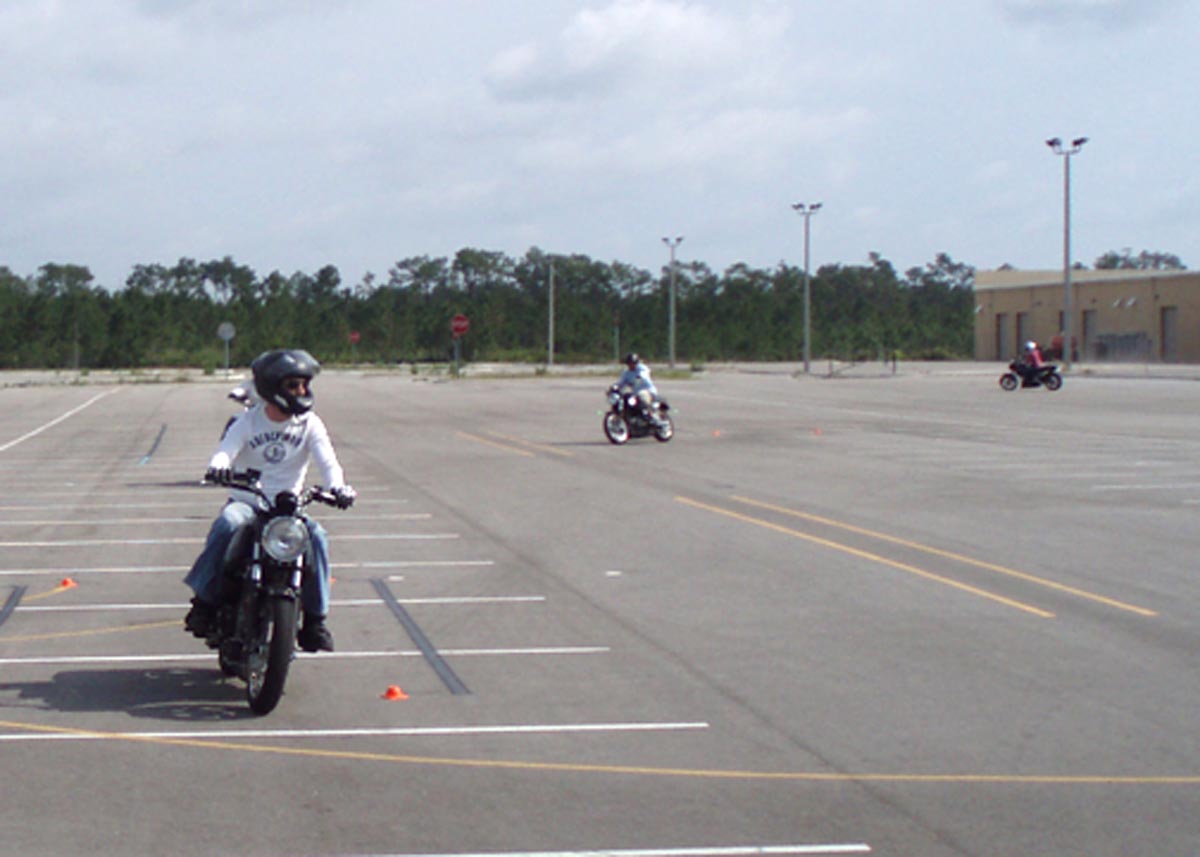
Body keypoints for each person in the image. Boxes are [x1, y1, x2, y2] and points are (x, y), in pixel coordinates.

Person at [184, 348, 356, 652]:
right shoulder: (247, 422)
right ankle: (204, 602)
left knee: (317, 537)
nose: (301, 391)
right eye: (293, 385)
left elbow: (328, 462)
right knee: (227, 524)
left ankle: (315, 621)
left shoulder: (310, 424)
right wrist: (219, 467)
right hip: (248, 502)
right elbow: (226, 450)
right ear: (272, 387)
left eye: (304, 385)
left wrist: (338, 488)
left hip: (288, 508)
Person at [616, 352, 664, 424]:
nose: (631, 365)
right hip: (635, 394)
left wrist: (639, 378)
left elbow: (644, 374)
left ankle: (653, 417)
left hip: (648, 391)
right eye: (629, 363)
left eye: (633, 363)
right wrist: (615, 387)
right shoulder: (626, 373)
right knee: (627, 398)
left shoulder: (642, 368)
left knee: (642, 395)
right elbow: (621, 382)